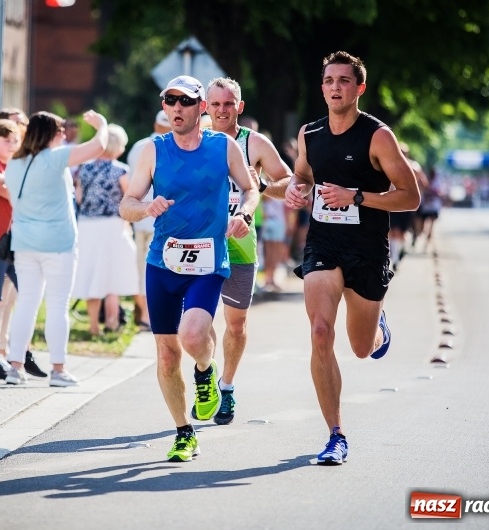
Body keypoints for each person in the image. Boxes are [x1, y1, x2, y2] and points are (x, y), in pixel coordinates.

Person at [284, 51, 419, 464]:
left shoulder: (378, 136)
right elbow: (303, 176)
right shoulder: (310, 134)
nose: (335, 87)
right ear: (322, 86)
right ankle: (335, 435)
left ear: (359, 88)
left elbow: (411, 196)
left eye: (344, 80)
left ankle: (378, 327)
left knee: (361, 348)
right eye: (328, 80)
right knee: (321, 332)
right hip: (322, 244)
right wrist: (294, 188)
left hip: (367, 249)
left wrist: (357, 197)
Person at [119, 75, 259, 462]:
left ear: (201, 108)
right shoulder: (153, 150)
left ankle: (205, 369)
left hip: (208, 260)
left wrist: (244, 213)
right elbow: (127, 203)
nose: (178, 108)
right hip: (162, 262)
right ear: (164, 107)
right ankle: (184, 431)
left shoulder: (223, 146)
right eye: (171, 100)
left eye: (186, 101)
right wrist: (146, 208)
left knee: (193, 335)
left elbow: (251, 189)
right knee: (165, 354)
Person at [203, 77, 292, 425]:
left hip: (240, 247)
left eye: (229, 104)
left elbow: (289, 182)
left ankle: (226, 386)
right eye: (216, 104)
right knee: (198, 319)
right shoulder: (196, 141)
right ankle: (205, 376)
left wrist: (262, 185)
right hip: (200, 245)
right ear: (206, 107)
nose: (222, 110)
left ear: (239, 107)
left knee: (236, 326)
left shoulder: (253, 143)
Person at [3, 109, 109, 387]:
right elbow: (99, 146)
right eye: (61, 131)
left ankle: (14, 368)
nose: (64, 135)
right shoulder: (54, 158)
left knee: (26, 302)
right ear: (51, 133)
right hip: (58, 244)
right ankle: (58, 370)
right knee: (57, 305)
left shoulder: (14, 163)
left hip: (25, 243)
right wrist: (102, 125)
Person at [0, 118, 48, 381]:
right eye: (6, 140)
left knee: (28, 295)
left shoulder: (14, 165)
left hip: (17, 244)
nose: (12, 144)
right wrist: (9, 187)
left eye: (15, 140)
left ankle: (22, 353)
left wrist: (9, 188)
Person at [71, 124, 139, 336]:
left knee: (92, 274)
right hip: (112, 226)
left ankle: (93, 326)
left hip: (87, 225)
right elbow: (130, 200)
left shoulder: (85, 168)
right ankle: (112, 322)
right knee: (112, 274)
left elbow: (79, 198)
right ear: (118, 146)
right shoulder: (121, 170)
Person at [126, 110, 172, 331]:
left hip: (139, 215)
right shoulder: (171, 146)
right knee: (159, 267)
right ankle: (151, 315)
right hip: (161, 216)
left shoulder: (138, 146)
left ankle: (143, 314)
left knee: (140, 266)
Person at [388, 143, 425, 271]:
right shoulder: (389, 164)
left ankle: (400, 251)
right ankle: (395, 258)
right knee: (392, 231)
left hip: (406, 204)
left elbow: (424, 182)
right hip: (392, 202)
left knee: (401, 233)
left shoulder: (414, 166)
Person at [413, 167, 442, 252]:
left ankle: (427, 244)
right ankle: (422, 238)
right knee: (422, 226)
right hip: (425, 207)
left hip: (433, 207)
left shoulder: (437, 183)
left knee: (431, 228)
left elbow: (439, 193)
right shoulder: (425, 181)